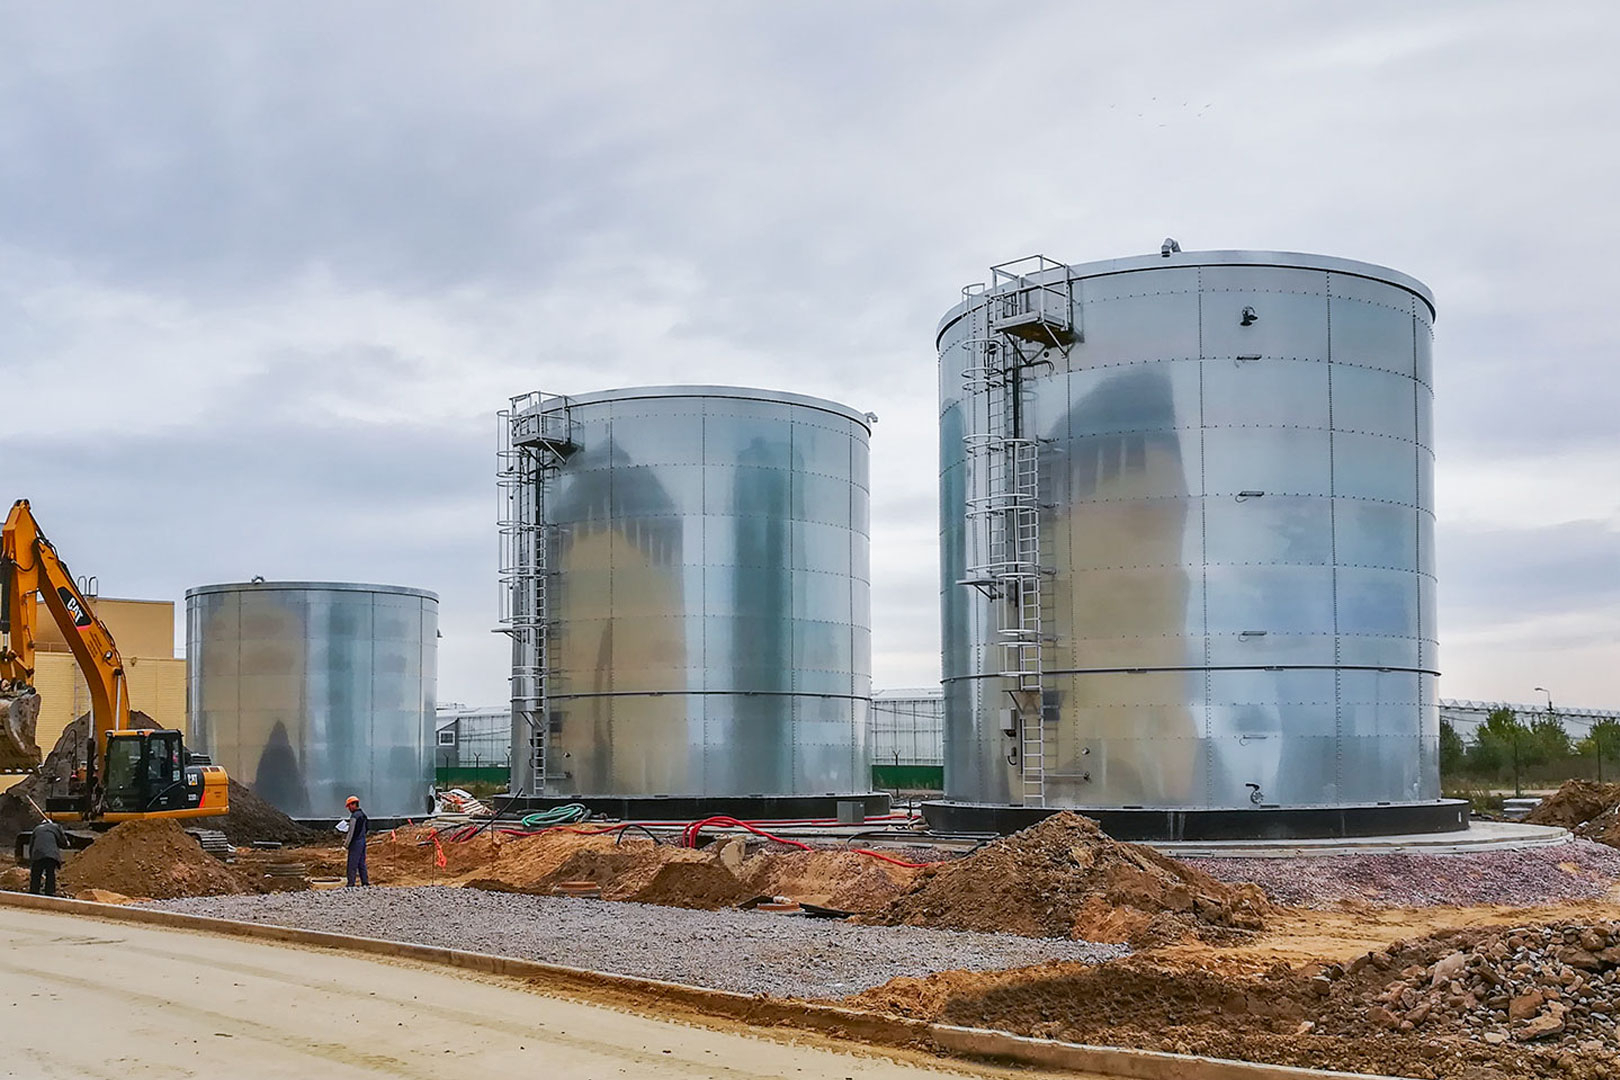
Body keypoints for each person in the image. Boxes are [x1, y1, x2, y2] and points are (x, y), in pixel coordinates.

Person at [29, 818, 69, 896]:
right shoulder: (55, 827)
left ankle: (34, 891)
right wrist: (66, 843)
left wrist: (32, 859)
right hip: (51, 855)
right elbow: (62, 842)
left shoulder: (36, 829)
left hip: (38, 854)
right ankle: (50, 892)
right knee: (50, 873)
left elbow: (31, 845)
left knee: (36, 874)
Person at [343, 794, 369, 887]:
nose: (349, 808)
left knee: (352, 864)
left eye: (349, 806)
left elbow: (351, 832)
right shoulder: (363, 815)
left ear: (354, 804)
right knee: (361, 863)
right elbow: (367, 828)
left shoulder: (354, 816)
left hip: (355, 843)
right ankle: (365, 882)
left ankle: (351, 883)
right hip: (362, 841)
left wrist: (346, 844)